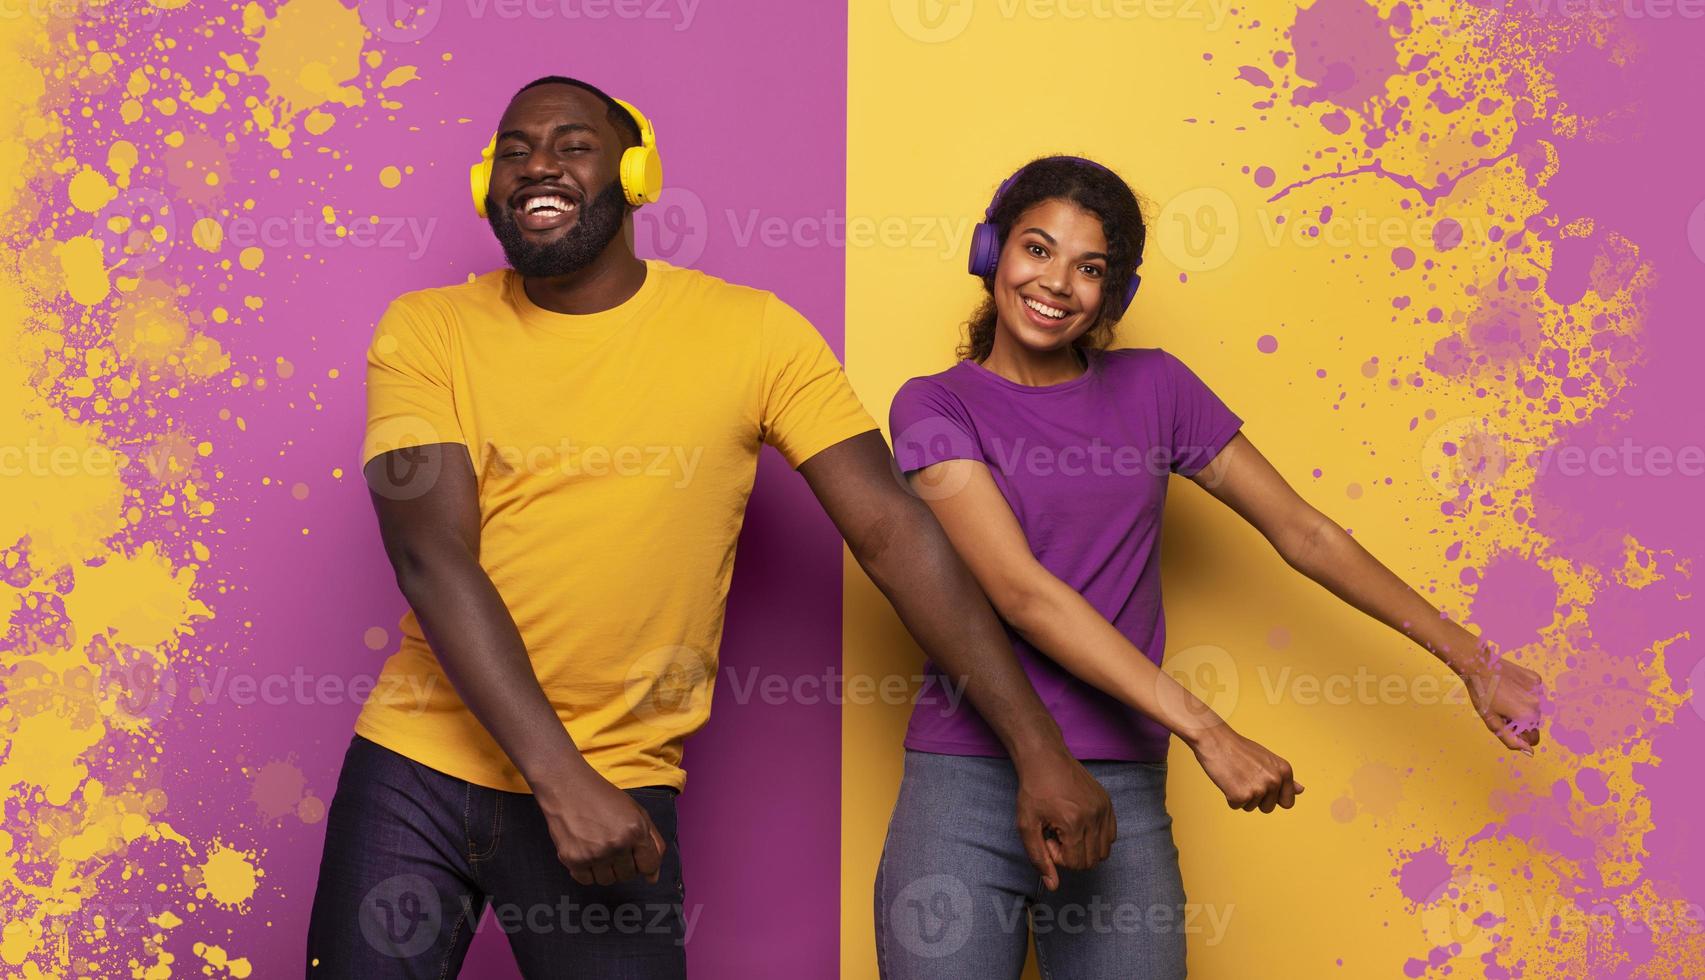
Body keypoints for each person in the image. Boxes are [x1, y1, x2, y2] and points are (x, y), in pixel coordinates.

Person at [305, 81, 1116, 978]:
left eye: (572, 144)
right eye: (514, 149)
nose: (537, 164)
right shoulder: (425, 331)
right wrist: (560, 781)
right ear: (485, 183)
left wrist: (1038, 748)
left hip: (619, 777)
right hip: (417, 768)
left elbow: (894, 533)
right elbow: (431, 554)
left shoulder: (754, 335)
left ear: (636, 173)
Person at [873, 156, 1547, 979]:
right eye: (1037, 249)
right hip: (964, 786)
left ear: (1115, 291)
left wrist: (1472, 661)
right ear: (991, 252)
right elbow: (1021, 592)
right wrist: (1209, 730)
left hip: (1119, 784)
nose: (1057, 283)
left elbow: (1304, 533)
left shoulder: (1157, 388)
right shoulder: (934, 406)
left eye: (1091, 268)